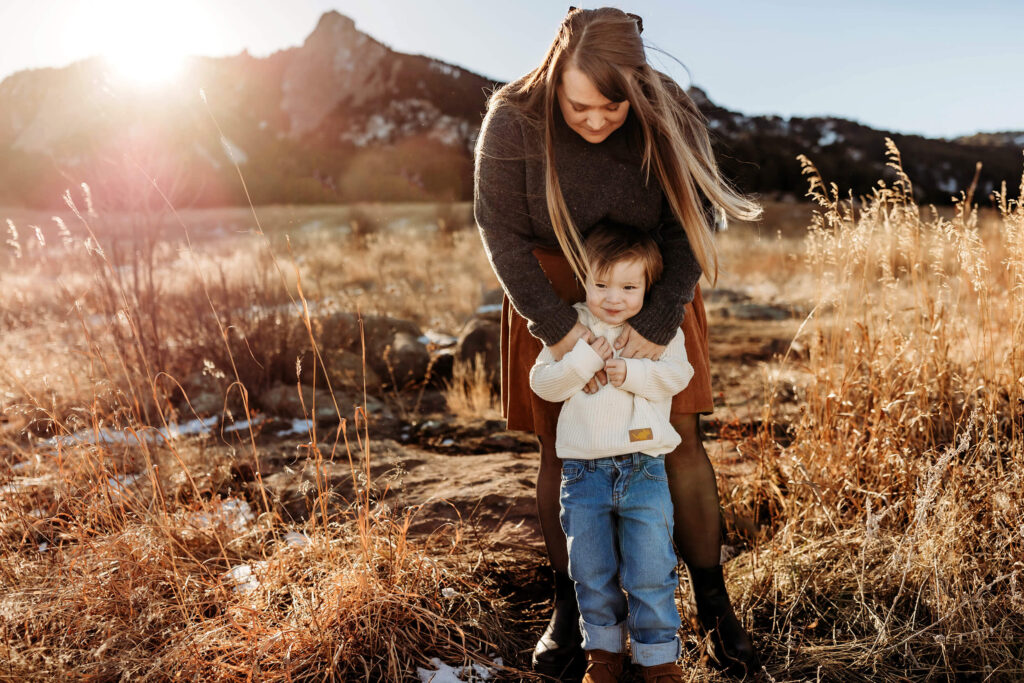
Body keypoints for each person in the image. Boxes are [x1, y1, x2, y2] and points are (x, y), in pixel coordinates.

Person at [473, 6, 762, 677]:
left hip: (654, 286)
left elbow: (694, 222)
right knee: (561, 445)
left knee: (680, 440)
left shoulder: (669, 108)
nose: (598, 120)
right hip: (551, 290)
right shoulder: (513, 117)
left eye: (614, 106)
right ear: (554, 74)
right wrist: (562, 329)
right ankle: (570, 606)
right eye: (580, 106)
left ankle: (713, 604)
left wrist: (657, 322)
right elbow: (501, 234)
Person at [530, 223, 693, 681]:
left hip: (644, 470)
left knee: (651, 569)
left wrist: (633, 373)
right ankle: (602, 655)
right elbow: (542, 383)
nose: (613, 298)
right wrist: (581, 360)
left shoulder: (659, 330)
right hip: (584, 474)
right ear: (584, 279)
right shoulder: (571, 325)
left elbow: (679, 375)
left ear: (648, 286)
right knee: (591, 570)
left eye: (628, 286)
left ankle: (658, 658)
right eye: (601, 284)